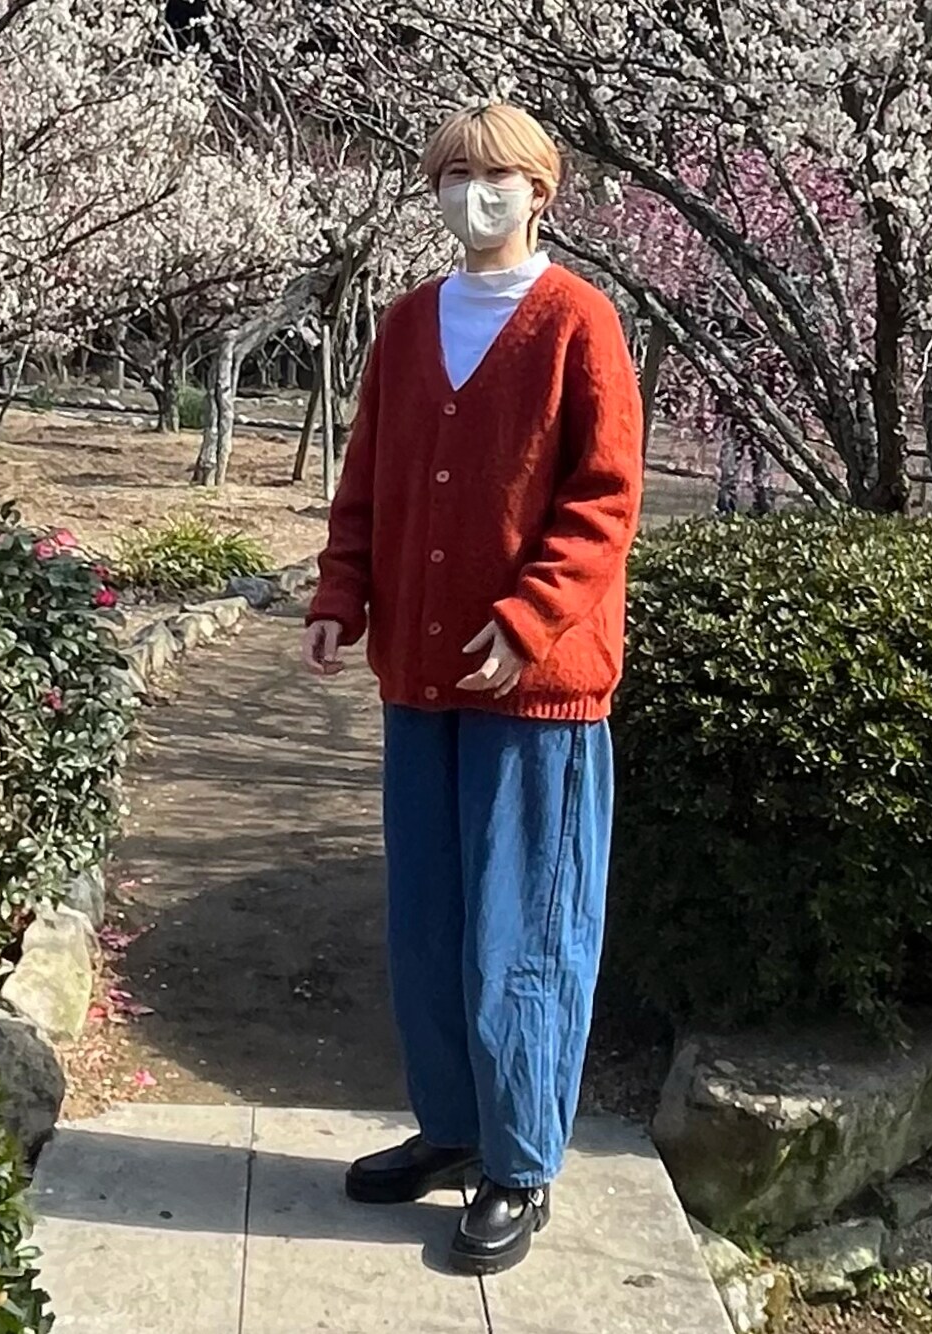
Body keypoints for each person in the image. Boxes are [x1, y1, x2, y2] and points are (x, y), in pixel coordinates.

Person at [302, 103, 643, 1276]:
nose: (472, 193)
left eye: (497, 174)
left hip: (536, 688)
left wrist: (529, 615)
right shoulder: (407, 323)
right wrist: (341, 593)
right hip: (421, 676)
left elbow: (603, 496)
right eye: (452, 174)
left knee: (521, 934)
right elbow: (368, 475)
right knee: (429, 925)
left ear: (542, 190)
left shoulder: (578, 321)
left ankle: (521, 1160)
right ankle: (452, 1125)